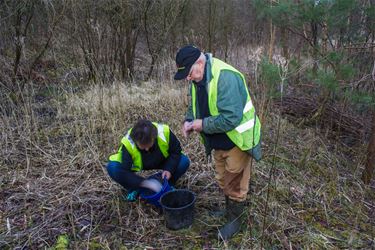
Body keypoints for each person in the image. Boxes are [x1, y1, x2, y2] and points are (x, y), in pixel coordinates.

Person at [174, 45, 262, 240]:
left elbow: (231, 118)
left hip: (238, 140)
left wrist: (202, 124)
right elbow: (194, 105)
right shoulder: (197, 78)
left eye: (189, 73)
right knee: (223, 179)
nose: (188, 78)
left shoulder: (225, 77)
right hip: (218, 141)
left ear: (199, 62)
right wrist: (188, 121)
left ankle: (235, 221)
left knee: (236, 183)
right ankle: (229, 212)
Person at [107, 119, 190, 201]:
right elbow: (123, 171)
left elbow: (176, 151)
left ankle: (167, 184)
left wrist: (169, 169)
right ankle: (134, 189)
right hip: (137, 164)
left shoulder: (164, 132)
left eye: (149, 145)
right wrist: (144, 183)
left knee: (183, 162)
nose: (146, 149)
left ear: (154, 137)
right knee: (113, 167)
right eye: (142, 147)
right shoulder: (128, 142)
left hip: (161, 160)